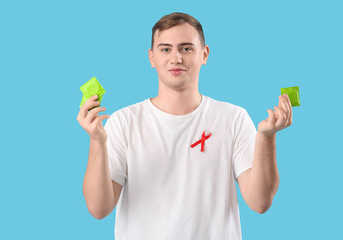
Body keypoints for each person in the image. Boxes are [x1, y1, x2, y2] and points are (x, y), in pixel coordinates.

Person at [77, 12, 293, 240]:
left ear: (204, 54)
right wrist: (97, 142)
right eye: (165, 49)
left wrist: (267, 137)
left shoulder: (233, 118)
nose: (176, 58)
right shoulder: (123, 121)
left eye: (186, 48)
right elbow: (98, 209)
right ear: (152, 58)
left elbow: (260, 202)